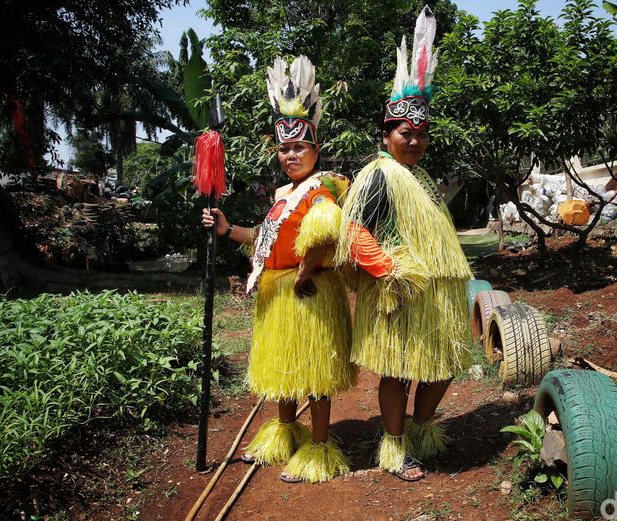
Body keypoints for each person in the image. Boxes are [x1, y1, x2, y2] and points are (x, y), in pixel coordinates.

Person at [202, 55, 355, 483]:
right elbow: (264, 240)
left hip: (307, 293)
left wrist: (306, 271)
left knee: (314, 373)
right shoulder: (282, 193)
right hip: (278, 293)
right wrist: (227, 228)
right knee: (284, 370)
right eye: (285, 148)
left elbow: (327, 231)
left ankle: (319, 449)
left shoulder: (321, 187)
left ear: (314, 150)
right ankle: (286, 434)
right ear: (277, 151)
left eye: (299, 147)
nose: (291, 155)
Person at [336, 6, 473, 482]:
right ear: (387, 135)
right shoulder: (378, 175)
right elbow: (353, 232)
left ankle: (419, 429)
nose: (413, 141)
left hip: (436, 297)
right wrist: (389, 270)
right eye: (404, 133)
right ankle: (395, 447)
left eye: (420, 133)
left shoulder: (426, 179)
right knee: (397, 372)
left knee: (442, 366)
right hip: (398, 293)